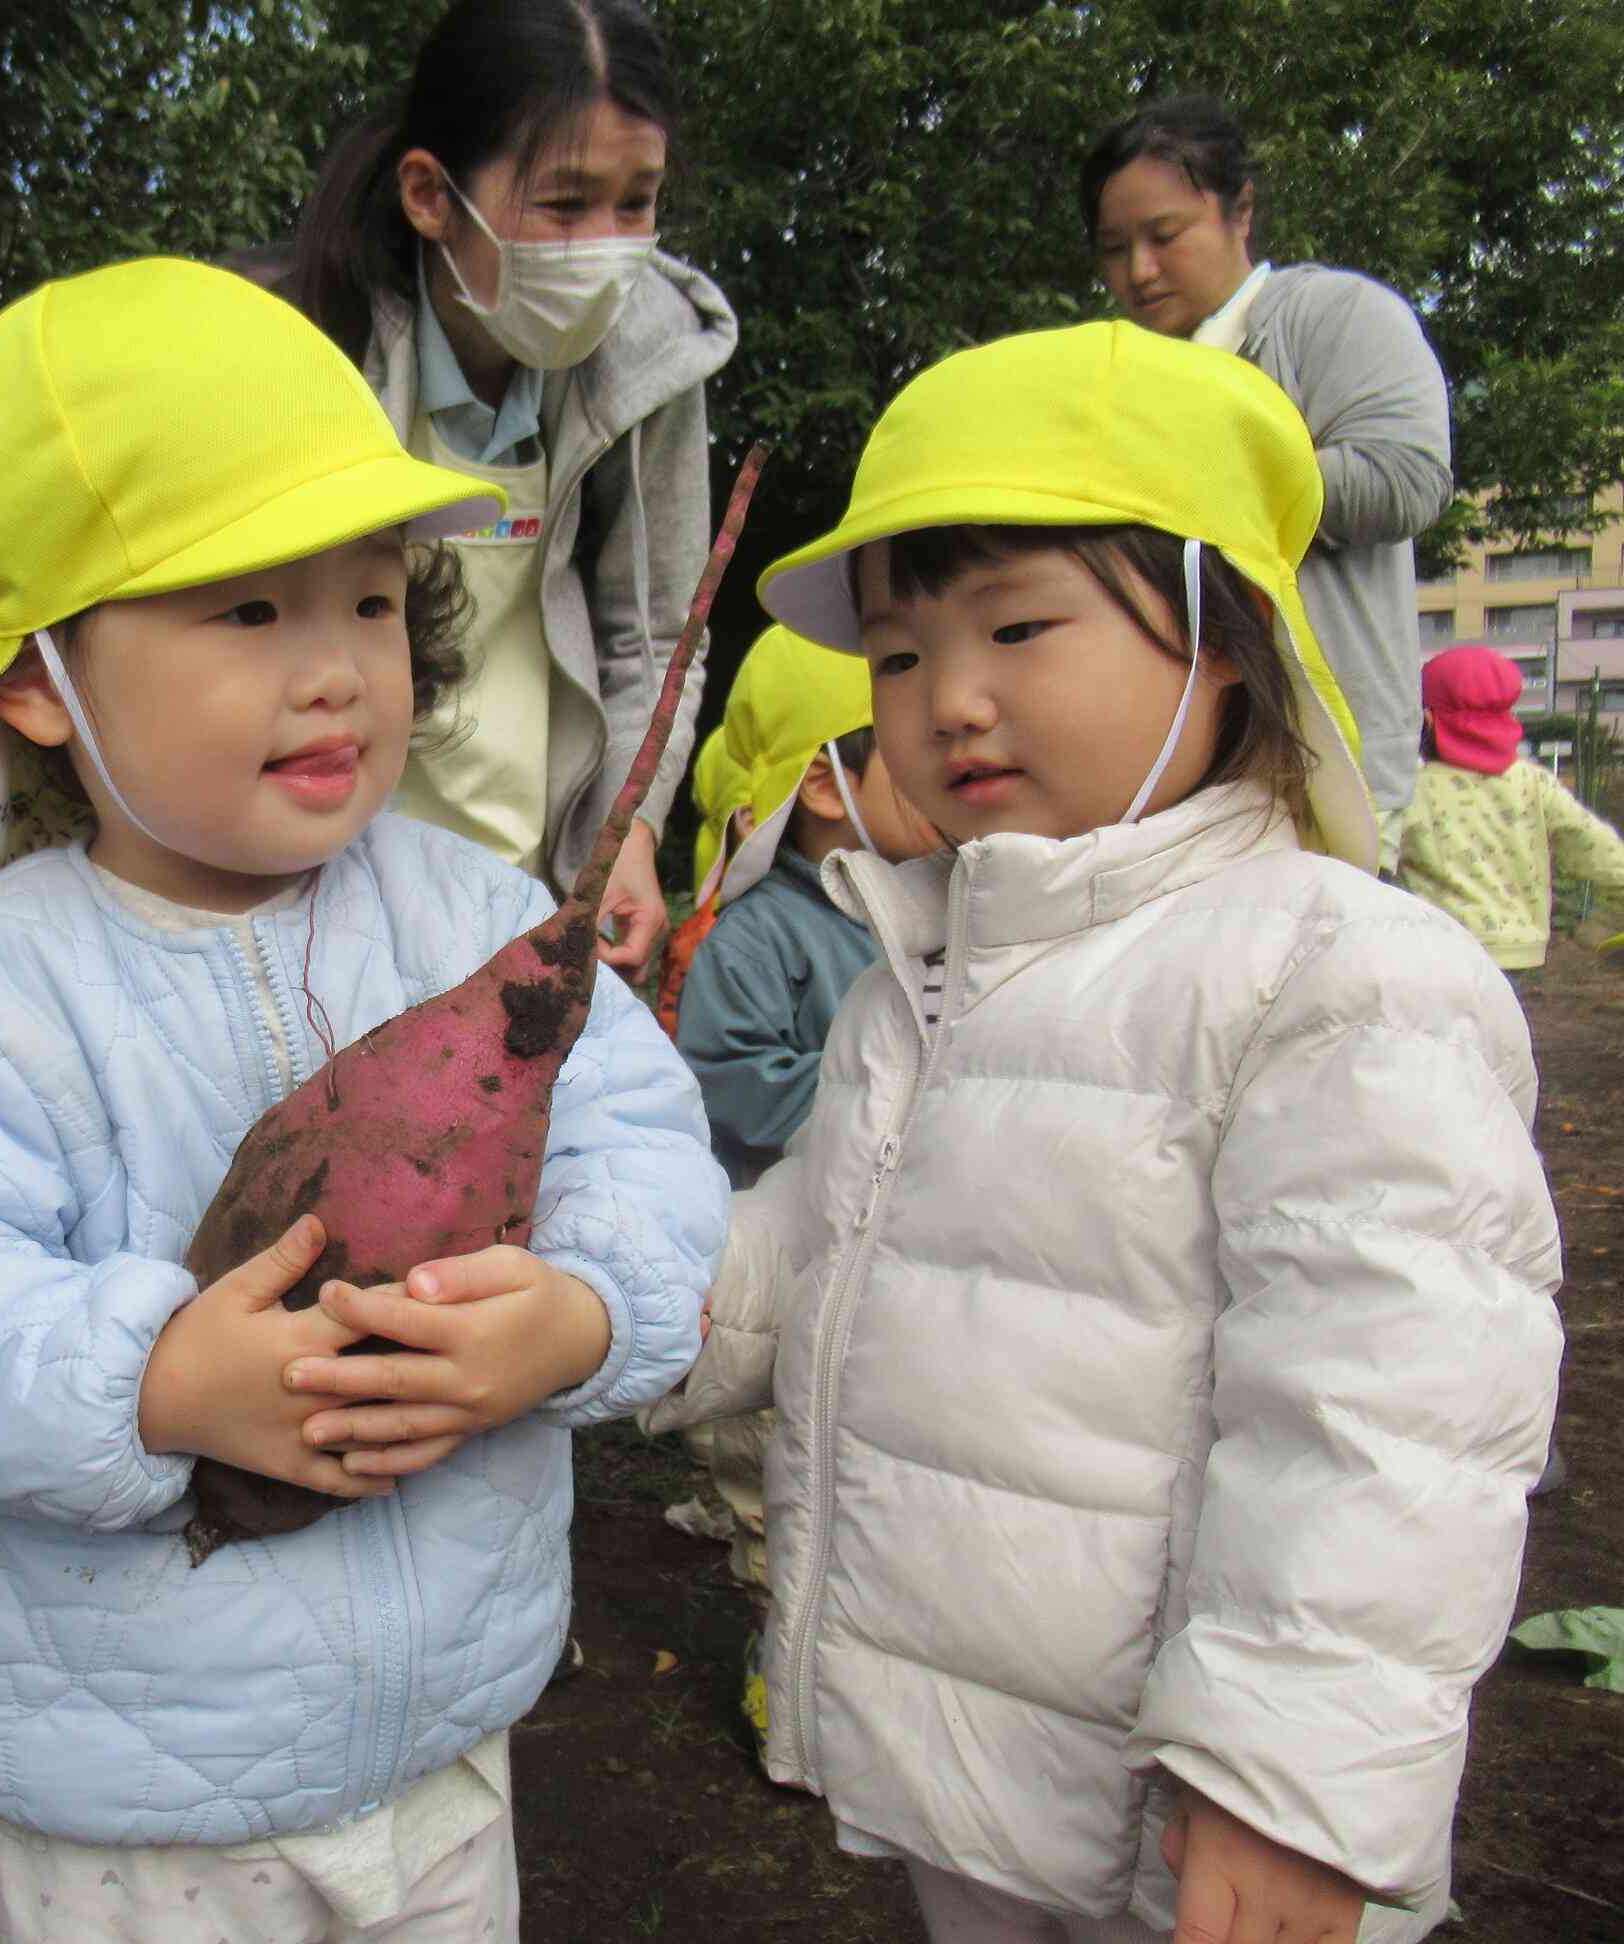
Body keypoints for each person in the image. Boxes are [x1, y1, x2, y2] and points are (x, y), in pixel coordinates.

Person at [0, 257, 725, 1940]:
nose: (337, 671)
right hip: (131, 1819)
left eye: (367, 600)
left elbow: (635, 1145)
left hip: (442, 1752)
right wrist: (149, 1379)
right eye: (246, 611)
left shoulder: (480, 914)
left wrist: (577, 1316)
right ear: (31, 686)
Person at [648, 323, 1563, 1943]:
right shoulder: (918, 965)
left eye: (1015, 625)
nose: (952, 699)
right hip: (974, 1769)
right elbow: (792, 1258)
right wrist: (592, 1312)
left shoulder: (1329, 972)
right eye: (901, 652)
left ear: (1220, 635)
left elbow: (1384, 1417)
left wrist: (1287, 1771)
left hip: (1200, 1815)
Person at [273, 0, 737, 973]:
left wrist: (630, 832)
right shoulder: (305, 349)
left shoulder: (653, 354)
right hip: (321, 875)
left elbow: (652, 630)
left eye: (637, 201)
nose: (605, 247)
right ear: (431, 194)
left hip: (529, 876)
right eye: (565, 205)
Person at [1081, 94, 1451, 875]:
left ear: (1239, 211)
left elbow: (1405, 479)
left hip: (1324, 765)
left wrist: (1195, 471)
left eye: (1165, 235)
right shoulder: (1116, 373)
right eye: (1115, 249)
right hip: (1173, 773)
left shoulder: (1336, 316)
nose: (1139, 271)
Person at [657, 626, 938, 1653]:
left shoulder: (915, 909)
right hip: (776, 1240)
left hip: (871, 1227)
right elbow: (725, 1068)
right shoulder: (762, 933)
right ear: (827, 783)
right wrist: (866, 1112)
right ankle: (777, 1623)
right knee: (769, 1424)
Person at [674, 625, 941, 1187]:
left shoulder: (955, 906)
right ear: (824, 787)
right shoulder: (756, 937)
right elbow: (730, 1082)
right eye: (919, 752)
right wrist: (913, 1089)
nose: (947, 778)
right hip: (800, 1222)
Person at [1399, 644, 1624, 973]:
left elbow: (1364, 863)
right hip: (1515, 956)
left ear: (1428, 720)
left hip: (1438, 956)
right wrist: (1594, 931)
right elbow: (1610, 861)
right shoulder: (1534, 784)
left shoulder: (1413, 790)